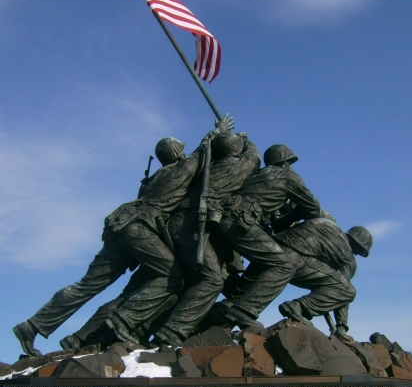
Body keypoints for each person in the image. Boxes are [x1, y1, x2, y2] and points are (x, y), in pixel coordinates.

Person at [13, 130, 214, 357]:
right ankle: (123, 320)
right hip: (139, 227)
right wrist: (217, 132)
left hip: (120, 223)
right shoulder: (181, 169)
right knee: (172, 275)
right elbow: (203, 152)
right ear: (178, 153)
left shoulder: (154, 178)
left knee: (87, 285)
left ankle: (32, 326)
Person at [151, 130, 261, 346]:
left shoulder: (201, 170)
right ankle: (172, 331)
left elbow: (197, 156)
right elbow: (253, 158)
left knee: (199, 280)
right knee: (212, 279)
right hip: (190, 224)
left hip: (178, 225)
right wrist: (247, 139)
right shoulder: (235, 167)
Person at [218, 144, 322, 331]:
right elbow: (312, 207)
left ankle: (220, 312)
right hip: (241, 222)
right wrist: (287, 220)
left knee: (227, 277)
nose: (290, 167)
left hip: (223, 219)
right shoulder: (289, 176)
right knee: (283, 266)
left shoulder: (257, 175)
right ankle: (244, 311)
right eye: (289, 163)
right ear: (284, 163)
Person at [274, 218, 373, 338]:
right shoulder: (348, 258)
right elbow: (342, 289)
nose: (357, 254)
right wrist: (341, 326)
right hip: (298, 262)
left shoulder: (328, 227)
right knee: (347, 290)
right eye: (360, 250)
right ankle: (299, 306)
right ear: (358, 244)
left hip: (275, 249)